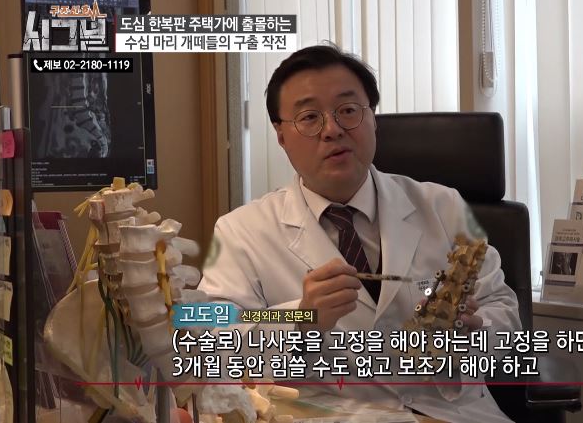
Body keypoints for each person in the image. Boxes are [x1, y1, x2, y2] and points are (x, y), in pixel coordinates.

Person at [200, 44, 521, 422]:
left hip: (455, 413)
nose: (332, 130)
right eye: (309, 117)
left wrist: (470, 336)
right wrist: (300, 319)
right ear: (281, 135)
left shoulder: (443, 206)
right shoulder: (241, 231)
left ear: (373, 118)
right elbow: (212, 342)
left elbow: (503, 311)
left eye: (348, 110)